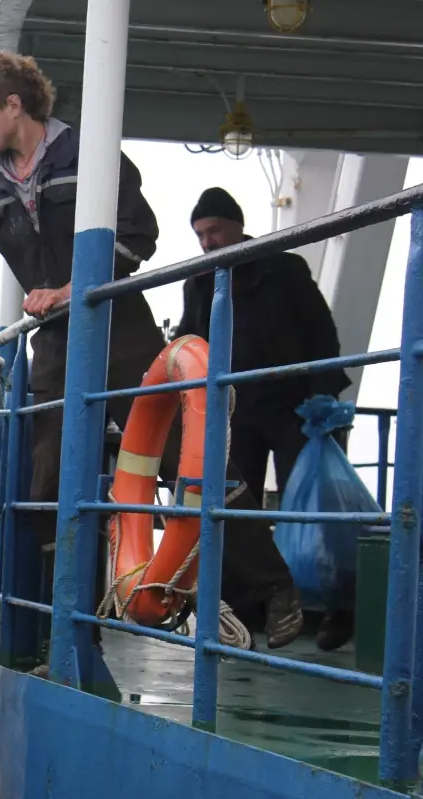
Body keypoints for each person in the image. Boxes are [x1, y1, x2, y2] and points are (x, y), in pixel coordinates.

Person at [0, 52, 303, 651]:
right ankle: (64, 634)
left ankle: (273, 594)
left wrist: (75, 290)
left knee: (194, 464)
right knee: (46, 488)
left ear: (14, 105)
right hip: (55, 353)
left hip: (123, 338)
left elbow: (139, 235)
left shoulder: (91, 157)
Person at [178, 187, 353, 651]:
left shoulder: (285, 269)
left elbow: (321, 332)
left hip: (294, 405)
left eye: (215, 230)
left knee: (313, 509)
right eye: (201, 235)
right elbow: (189, 337)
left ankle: (339, 608)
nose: (209, 243)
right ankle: (251, 609)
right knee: (235, 508)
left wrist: (321, 397)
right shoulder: (199, 281)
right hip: (236, 411)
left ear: (237, 226)